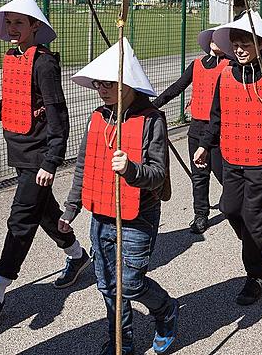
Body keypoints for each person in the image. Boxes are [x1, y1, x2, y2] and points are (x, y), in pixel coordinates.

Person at [0, 0, 90, 323]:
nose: (13, 28)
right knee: (44, 213)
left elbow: (58, 114)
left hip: (37, 156)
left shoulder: (45, 63)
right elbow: (13, 104)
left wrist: (52, 161)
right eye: (9, 23)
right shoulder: (12, 58)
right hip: (18, 151)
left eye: (19, 22)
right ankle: (77, 256)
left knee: (20, 219)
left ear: (35, 26)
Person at [61, 38, 177, 355]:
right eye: (98, 82)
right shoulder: (98, 116)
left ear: (128, 83)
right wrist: (70, 208)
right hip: (101, 214)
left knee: (131, 284)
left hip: (138, 216)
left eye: (109, 83)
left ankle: (166, 309)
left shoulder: (152, 119)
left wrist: (130, 170)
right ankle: (120, 343)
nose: (101, 88)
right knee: (107, 286)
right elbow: (84, 166)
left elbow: (157, 174)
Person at [195, 12, 262, 306]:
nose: (239, 49)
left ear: (260, 45)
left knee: (254, 217)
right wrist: (204, 146)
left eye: (246, 43)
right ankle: (255, 247)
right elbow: (216, 117)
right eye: (235, 44)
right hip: (231, 154)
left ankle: (255, 276)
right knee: (228, 208)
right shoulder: (224, 75)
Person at [152, 28, 227, 234]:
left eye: (220, 39)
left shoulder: (230, 66)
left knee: (222, 173)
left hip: (220, 128)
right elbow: (177, 87)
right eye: (213, 38)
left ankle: (234, 202)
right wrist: (154, 105)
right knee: (199, 174)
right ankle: (200, 215)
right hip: (197, 128)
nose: (215, 41)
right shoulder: (196, 64)